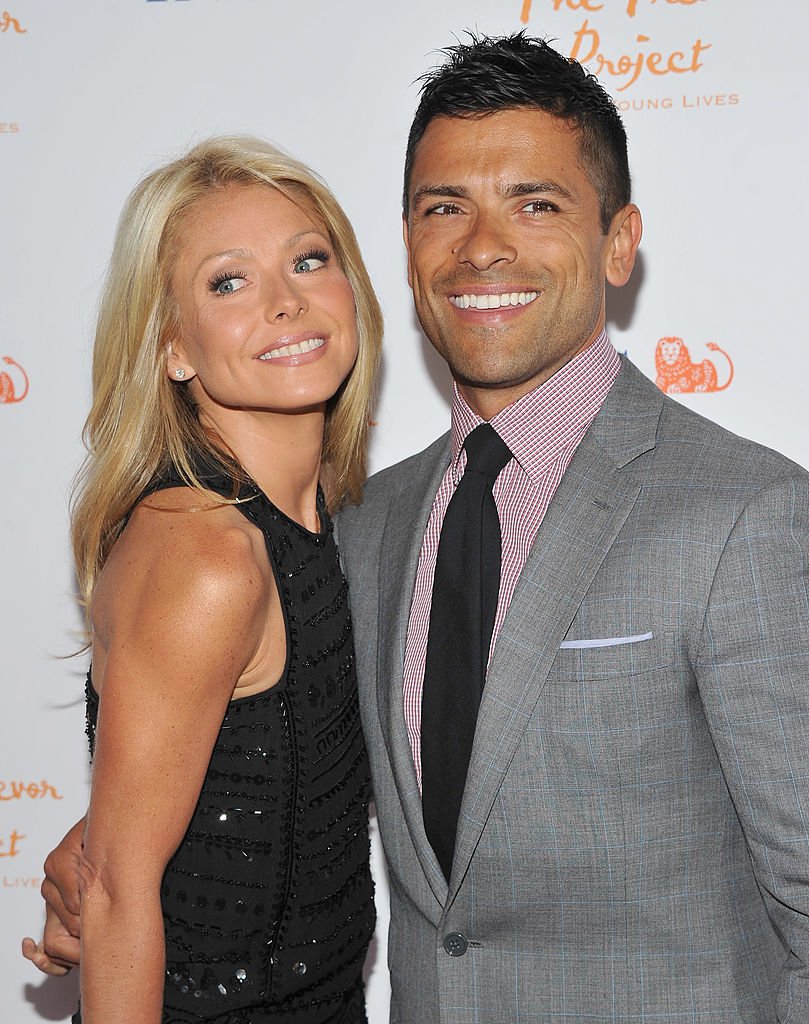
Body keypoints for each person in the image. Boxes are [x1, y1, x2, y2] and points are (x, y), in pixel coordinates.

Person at [26, 31, 809, 1023]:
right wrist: (111, 840)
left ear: (617, 242)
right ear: (403, 246)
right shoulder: (361, 528)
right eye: (445, 208)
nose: (483, 247)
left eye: (534, 203)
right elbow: (266, 756)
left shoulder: (740, 513)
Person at [22, 135, 382, 1024]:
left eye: (308, 260)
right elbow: (113, 889)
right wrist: (99, 855)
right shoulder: (207, 551)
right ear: (173, 347)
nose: (285, 303)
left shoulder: (331, 518)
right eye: (229, 282)